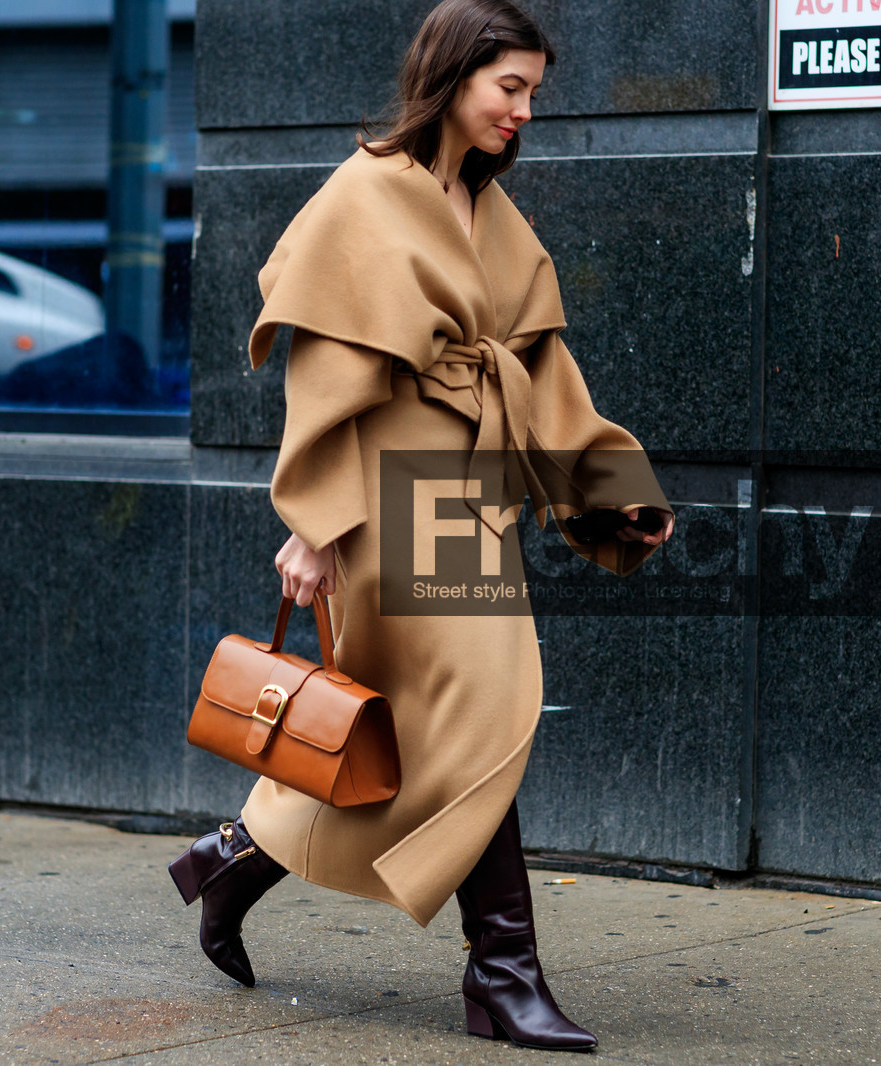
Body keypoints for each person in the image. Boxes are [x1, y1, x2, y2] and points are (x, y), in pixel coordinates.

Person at [168, 0, 675, 1051]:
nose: (524, 112)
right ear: (453, 77)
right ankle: (503, 972)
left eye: (533, 92)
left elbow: (537, 365)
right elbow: (324, 372)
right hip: (389, 493)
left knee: (417, 735)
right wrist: (315, 523)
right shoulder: (369, 193)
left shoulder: (487, 211)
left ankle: (234, 857)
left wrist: (609, 483)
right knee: (485, 715)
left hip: (468, 490)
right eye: (510, 88)